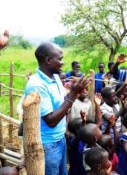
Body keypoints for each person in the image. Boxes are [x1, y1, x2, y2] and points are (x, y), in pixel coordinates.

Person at [24, 42, 90, 175]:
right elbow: (51, 120)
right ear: (48, 60)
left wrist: (73, 92)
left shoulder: (54, 77)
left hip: (59, 139)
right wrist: (73, 94)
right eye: (60, 59)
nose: (63, 62)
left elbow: (61, 103)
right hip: (48, 144)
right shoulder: (37, 85)